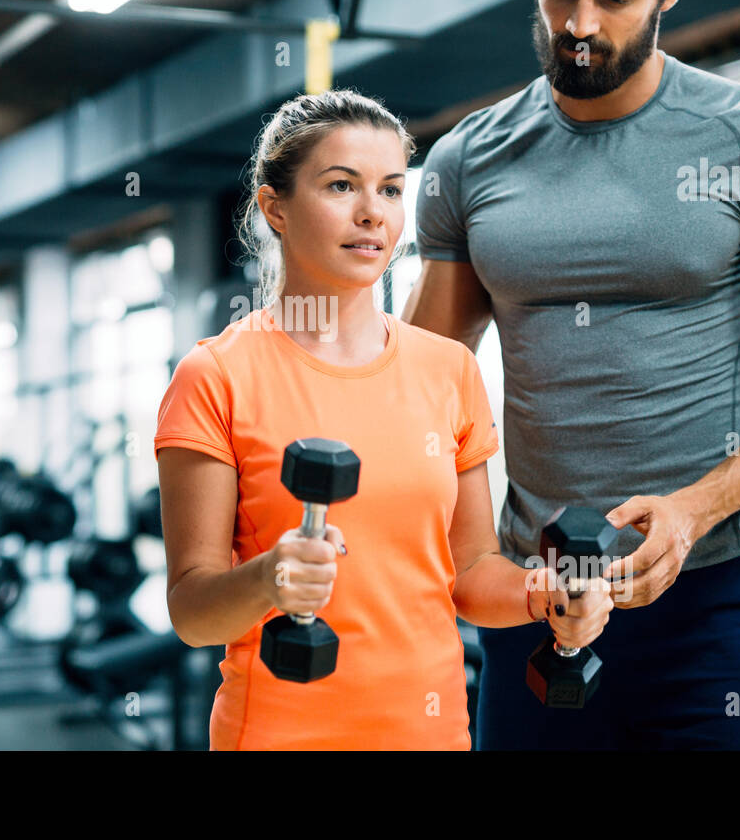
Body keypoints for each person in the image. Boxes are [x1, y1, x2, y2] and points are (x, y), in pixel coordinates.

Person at [404, 0, 740, 749]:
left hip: (718, 594)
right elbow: (422, 372)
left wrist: (698, 506)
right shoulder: (469, 160)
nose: (579, 24)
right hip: (539, 595)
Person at [154, 88, 613, 750]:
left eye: (392, 190)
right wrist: (266, 578)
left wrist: (545, 597)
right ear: (274, 206)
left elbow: (471, 571)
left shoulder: (446, 369)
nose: (373, 213)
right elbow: (192, 611)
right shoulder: (217, 377)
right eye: (342, 186)